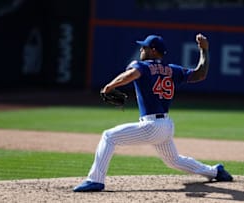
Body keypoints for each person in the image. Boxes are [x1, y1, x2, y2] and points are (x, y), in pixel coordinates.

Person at [73, 33, 233, 192]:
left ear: (154, 51)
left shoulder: (142, 66)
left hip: (152, 126)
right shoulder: (173, 70)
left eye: (145, 47)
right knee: (173, 160)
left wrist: (110, 86)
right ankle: (215, 171)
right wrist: (204, 50)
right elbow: (200, 74)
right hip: (166, 126)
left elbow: (131, 74)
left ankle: (95, 180)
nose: (141, 49)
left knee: (109, 136)